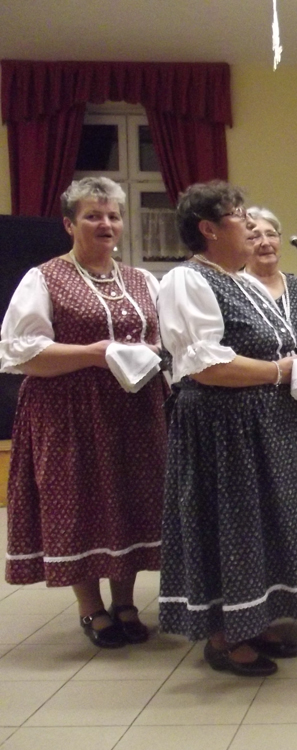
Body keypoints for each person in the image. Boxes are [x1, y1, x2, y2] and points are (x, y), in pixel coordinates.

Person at [159, 181, 297, 676]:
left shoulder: (243, 281)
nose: (251, 225)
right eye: (239, 215)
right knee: (232, 526)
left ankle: (257, 619)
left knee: (265, 523)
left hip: (265, 425)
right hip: (222, 430)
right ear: (208, 229)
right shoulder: (187, 281)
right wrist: (280, 372)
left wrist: (292, 372)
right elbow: (206, 366)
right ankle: (224, 636)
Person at [1, 177, 166, 649]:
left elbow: (164, 339)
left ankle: (126, 601)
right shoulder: (44, 278)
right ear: (69, 224)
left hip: (135, 410)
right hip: (68, 411)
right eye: (93, 215)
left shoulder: (142, 280)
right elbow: (20, 352)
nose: (105, 223)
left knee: (130, 501)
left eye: (113, 215)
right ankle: (90, 608)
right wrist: (94, 353)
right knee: (77, 503)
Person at [242, 206, 297, 530]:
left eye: (271, 234)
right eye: (254, 236)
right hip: (254, 405)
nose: (264, 242)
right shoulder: (234, 287)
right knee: (264, 487)